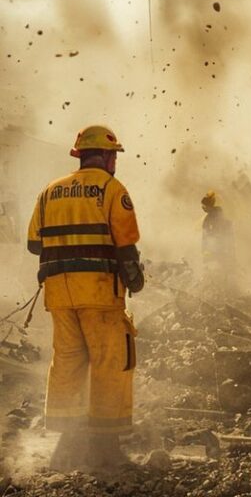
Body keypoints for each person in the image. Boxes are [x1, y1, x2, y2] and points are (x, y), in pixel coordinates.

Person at [26, 125, 144, 471]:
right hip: (98, 293)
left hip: (59, 295)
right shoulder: (112, 189)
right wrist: (134, 279)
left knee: (67, 362)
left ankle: (67, 447)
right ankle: (106, 451)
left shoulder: (50, 191)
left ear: (79, 155)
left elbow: (34, 243)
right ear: (108, 157)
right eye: (114, 156)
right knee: (112, 361)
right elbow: (126, 245)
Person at [201, 190, 236, 275]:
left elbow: (207, 234)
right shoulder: (216, 213)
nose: (203, 208)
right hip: (219, 243)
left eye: (204, 206)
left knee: (221, 262)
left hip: (220, 244)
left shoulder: (215, 214)